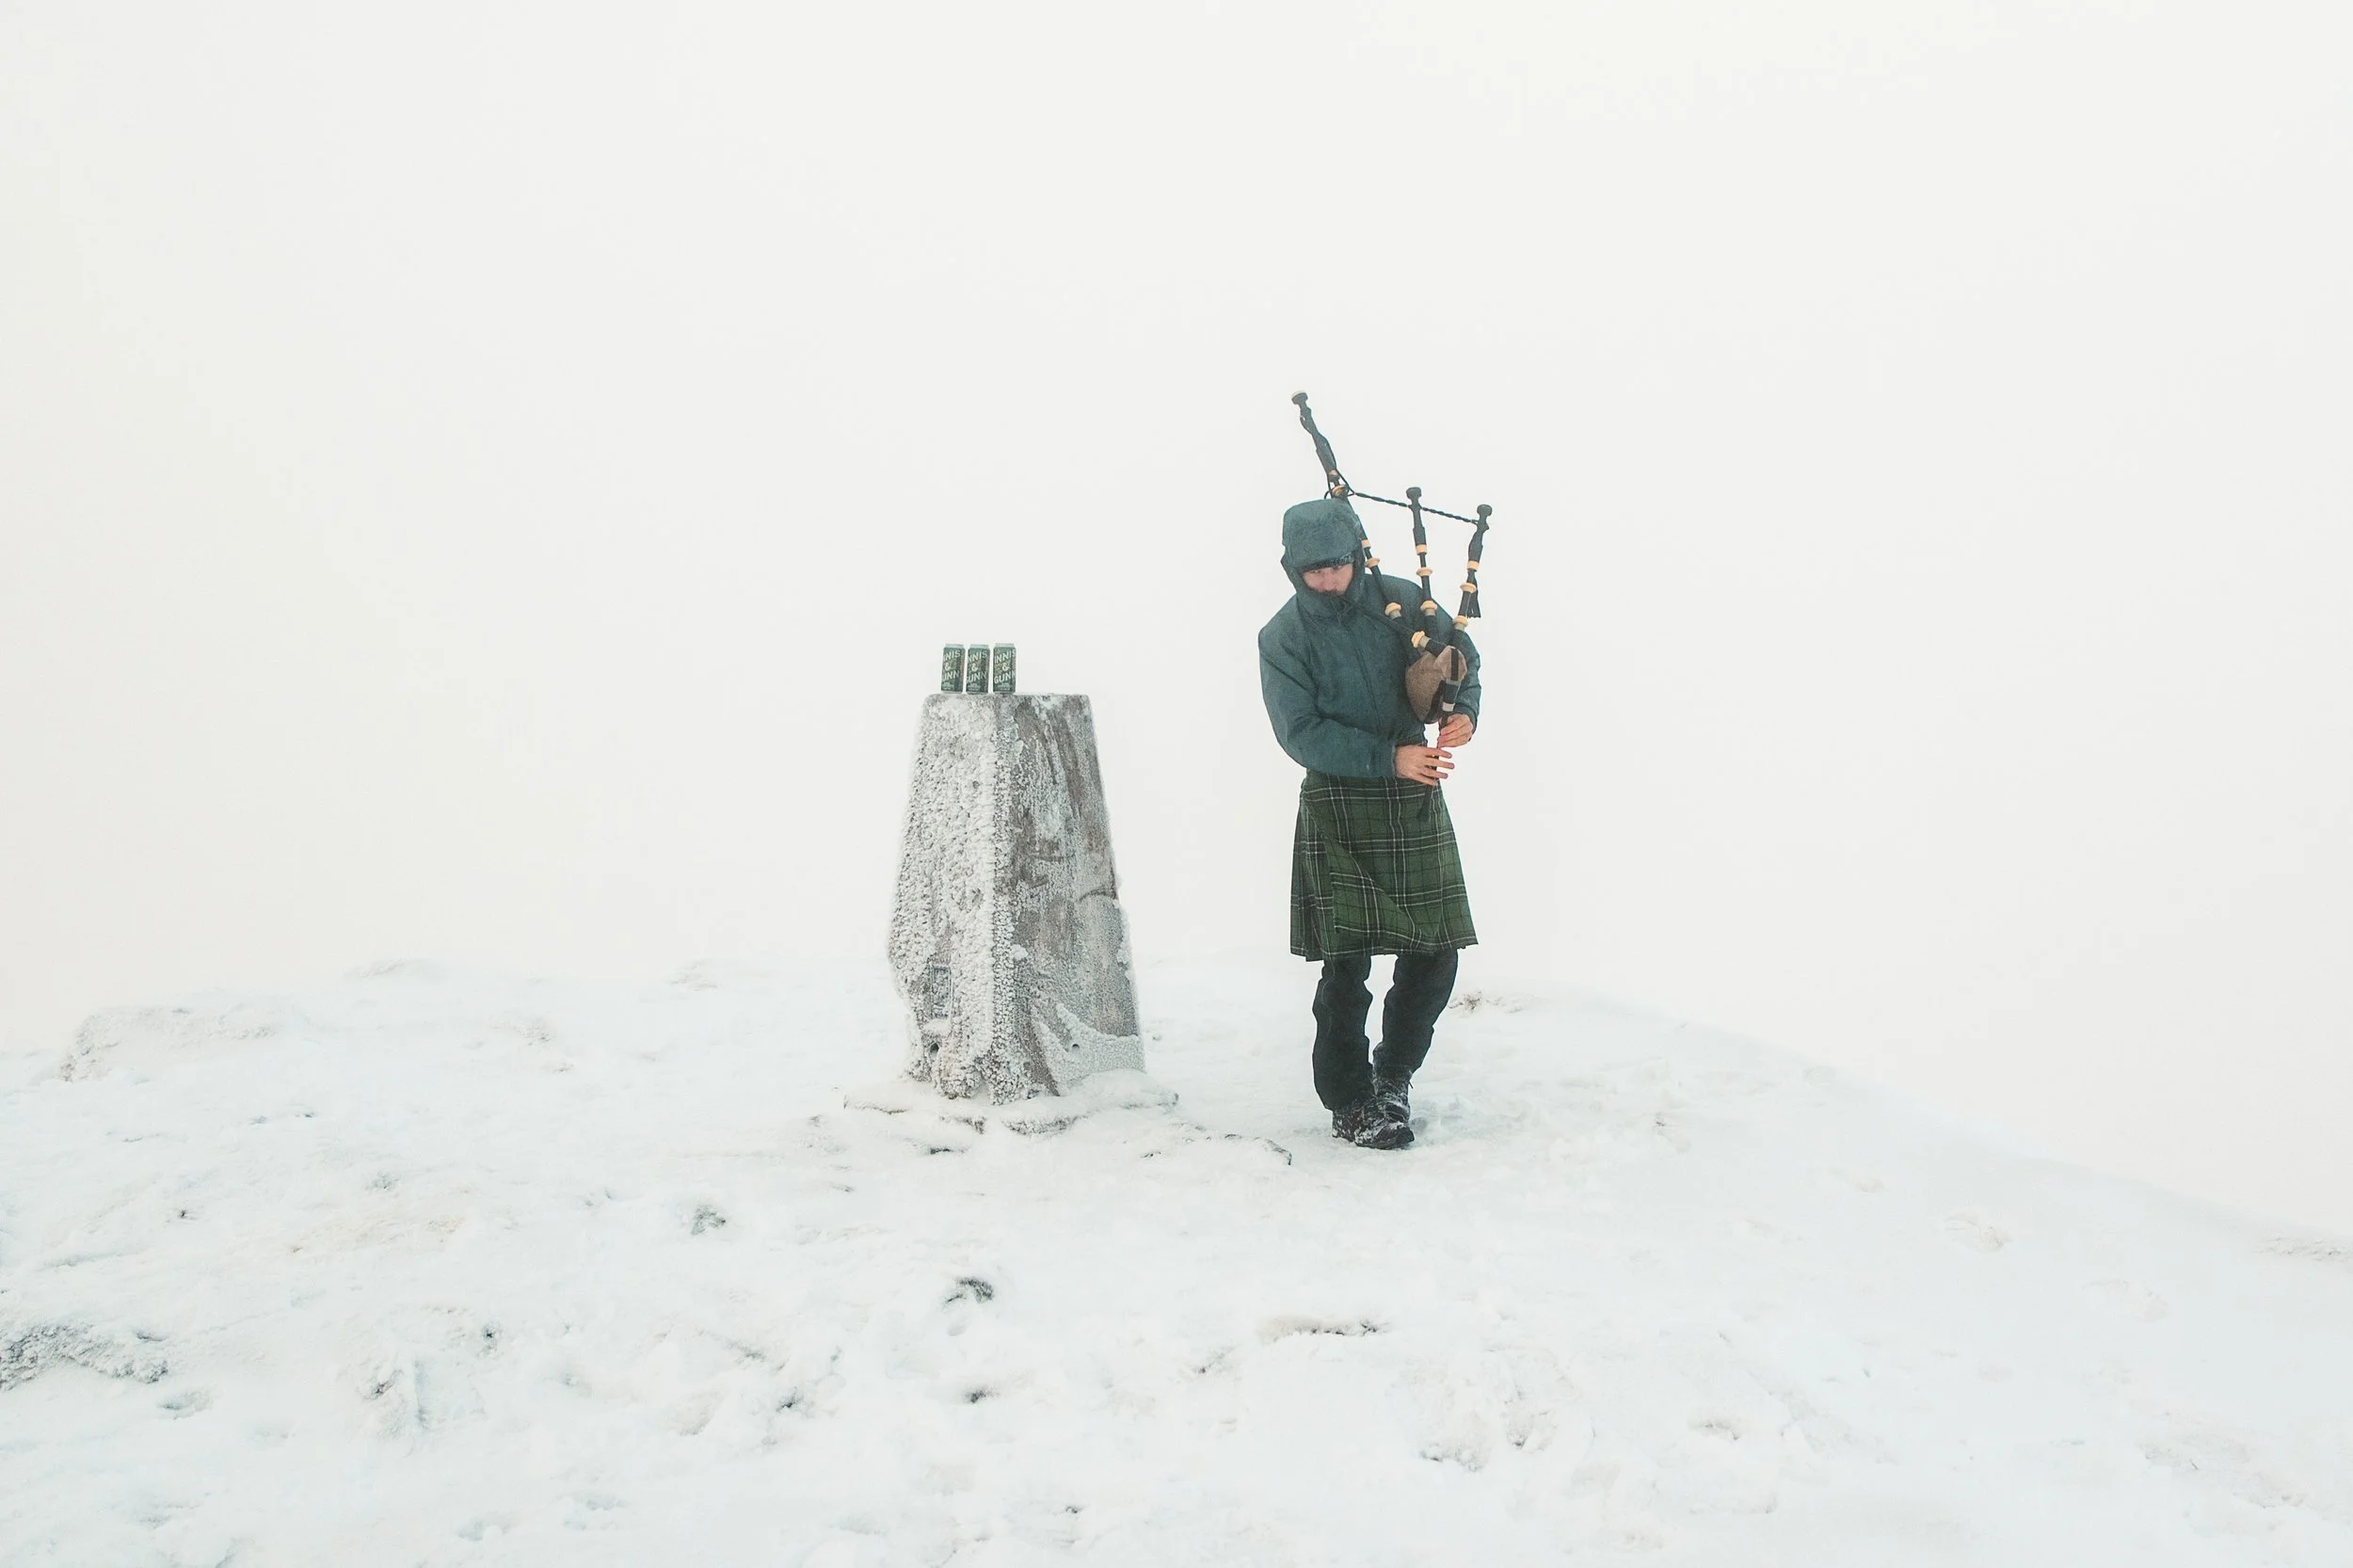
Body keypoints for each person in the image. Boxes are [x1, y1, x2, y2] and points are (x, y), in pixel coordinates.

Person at [1257, 495, 1480, 1149]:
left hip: (1412, 799)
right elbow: (1299, 733)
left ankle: (1394, 1073)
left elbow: (1459, 657)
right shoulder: (1283, 637)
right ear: (1291, 569)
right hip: (1339, 800)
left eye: (1335, 565)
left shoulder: (1404, 605)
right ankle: (1351, 1100)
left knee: (1434, 951)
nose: (1327, 580)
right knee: (1346, 963)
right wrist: (1389, 757)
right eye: (1311, 571)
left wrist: (1462, 708)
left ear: (1355, 554)